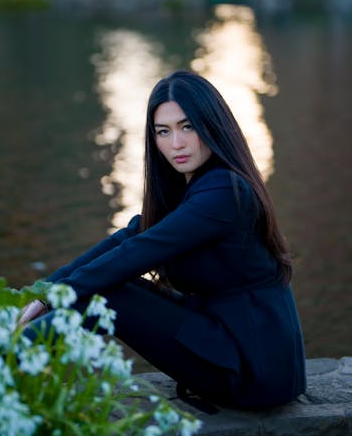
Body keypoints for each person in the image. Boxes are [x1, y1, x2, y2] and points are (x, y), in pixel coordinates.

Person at [18, 70, 306, 410]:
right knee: (109, 289)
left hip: (254, 368)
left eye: (187, 127)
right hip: (223, 340)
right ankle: (17, 353)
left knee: (109, 296)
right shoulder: (192, 188)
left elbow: (140, 251)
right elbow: (127, 239)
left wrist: (54, 299)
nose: (176, 144)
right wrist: (45, 290)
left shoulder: (224, 191)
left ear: (212, 125)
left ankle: (6, 358)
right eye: (163, 132)